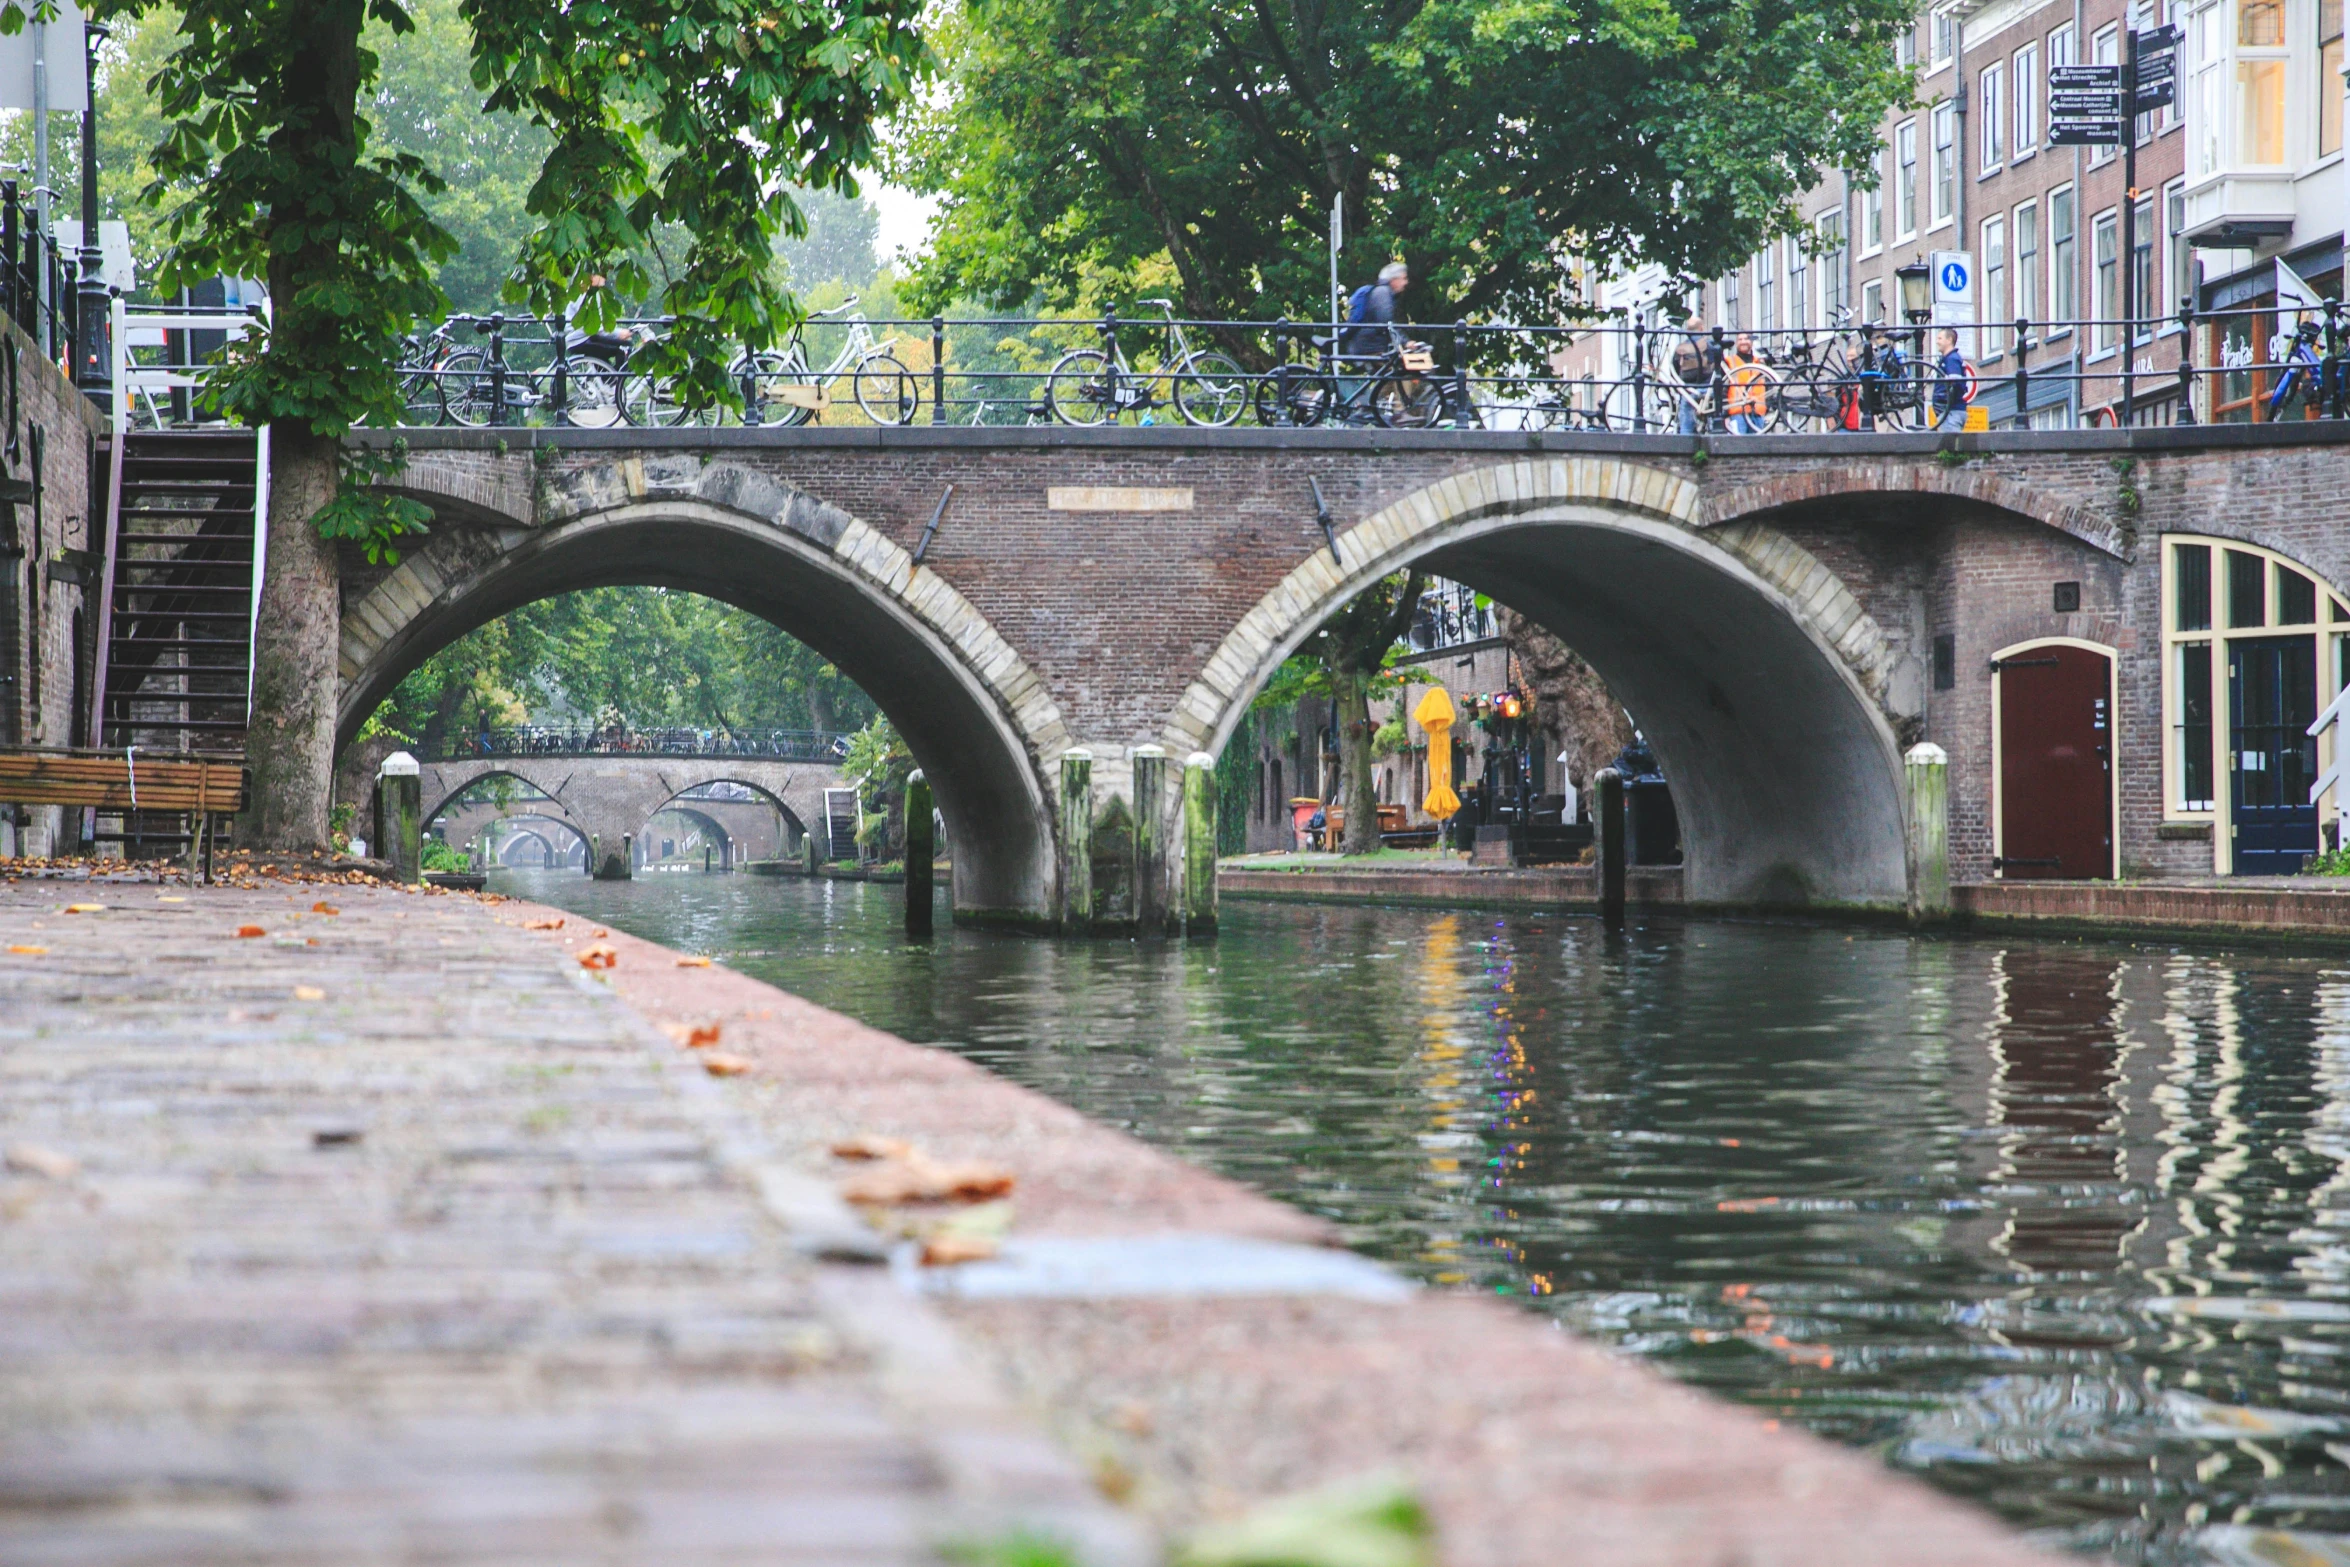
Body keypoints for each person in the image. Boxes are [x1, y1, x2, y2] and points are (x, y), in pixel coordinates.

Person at [1339, 260, 1410, 421]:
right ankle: (1399, 412)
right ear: (1394, 279)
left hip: (1365, 345)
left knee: (1386, 377)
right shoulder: (1383, 294)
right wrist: (1405, 342)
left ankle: (1368, 407)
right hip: (1369, 347)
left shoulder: (1382, 293)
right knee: (1401, 371)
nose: (1406, 283)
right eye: (1404, 278)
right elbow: (1387, 323)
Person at [1669, 313, 1713, 435]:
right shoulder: (1709, 344)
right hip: (1707, 387)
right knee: (1714, 414)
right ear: (1701, 328)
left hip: (1688, 389)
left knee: (1686, 419)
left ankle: (1685, 440)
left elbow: (1674, 368)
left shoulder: (1681, 348)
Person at [1722, 331, 1774, 433]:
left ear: (1751, 342)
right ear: (1736, 343)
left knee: (1757, 446)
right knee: (1738, 445)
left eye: (1746, 339)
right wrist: (1725, 414)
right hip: (1737, 411)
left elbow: (1768, 386)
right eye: (1740, 339)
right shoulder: (1730, 362)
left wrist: (1768, 406)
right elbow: (1723, 389)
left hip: (1758, 412)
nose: (1743, 342)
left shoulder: (1760, 363)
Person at [1932, 327, 1970, 428]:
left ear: (1949, 340)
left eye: (1940, 338)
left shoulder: (1952, 359)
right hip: (1951, 411)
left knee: (1951, 443)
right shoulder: (1951, 359)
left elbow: (1955, 383)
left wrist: (1944, 402)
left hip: (1951, 412)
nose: (1937, 342)